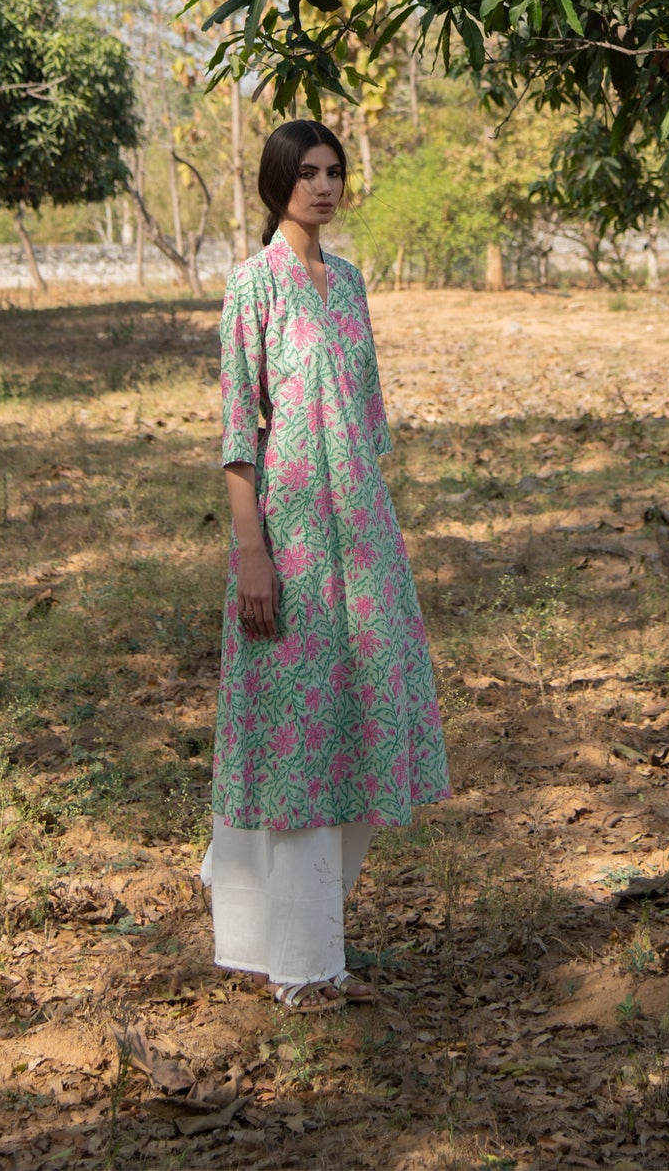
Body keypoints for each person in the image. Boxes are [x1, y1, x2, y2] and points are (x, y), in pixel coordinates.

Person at [199, 119, 450, 1009]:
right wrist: (252, 552)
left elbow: (366, 419)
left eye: (334, 171)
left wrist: (378, 533)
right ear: (276, 184)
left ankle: (286, 920)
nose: (323, 185)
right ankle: (299, 963)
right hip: (289, 532)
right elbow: (239, 433)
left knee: (362, 705)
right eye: (305, 173)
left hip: (364, 527)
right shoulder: (250, 287)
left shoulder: (346, 283)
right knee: (296, 732)